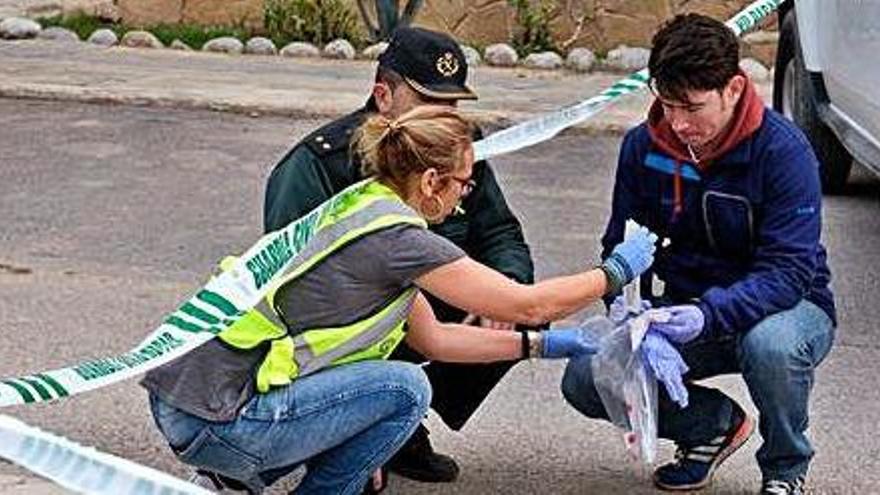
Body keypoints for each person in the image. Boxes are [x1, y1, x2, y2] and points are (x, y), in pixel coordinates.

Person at [142, 105, 658, 495]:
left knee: (397, 378)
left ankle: (230, 481)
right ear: (431, 181)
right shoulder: (401, 241)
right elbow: (524, 304)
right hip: (220, 418)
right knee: (407, 388)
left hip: (191, 405)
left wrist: (548, 347)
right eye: (464, 182)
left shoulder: (363, 208)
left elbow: (435, 338)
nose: (466, 194)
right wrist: (614, 271)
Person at [560, 14, 836, 495]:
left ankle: (785, 469)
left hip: (787, 309)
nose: (679, 123)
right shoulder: (643, 148)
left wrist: (707, 315)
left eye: (692, 107)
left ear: (733, 88)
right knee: (587, 375)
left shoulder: (784, 152)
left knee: (771, 347)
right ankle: (711, 427)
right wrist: (627, 308)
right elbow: (619, 244)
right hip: (683, 309)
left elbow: (789, 272)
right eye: (667, 105)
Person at [263, 26, 536, 484]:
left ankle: (404, 426)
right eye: (429, 102)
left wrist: (502, 292)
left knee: (520, 307)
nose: (444, 115)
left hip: (426, 302)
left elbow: (501, 233)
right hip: (345, 324)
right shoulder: (317, 163)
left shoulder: (455, 151)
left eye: (451, 104)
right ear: (382, 96)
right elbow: (290, 285)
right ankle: (342, 434)